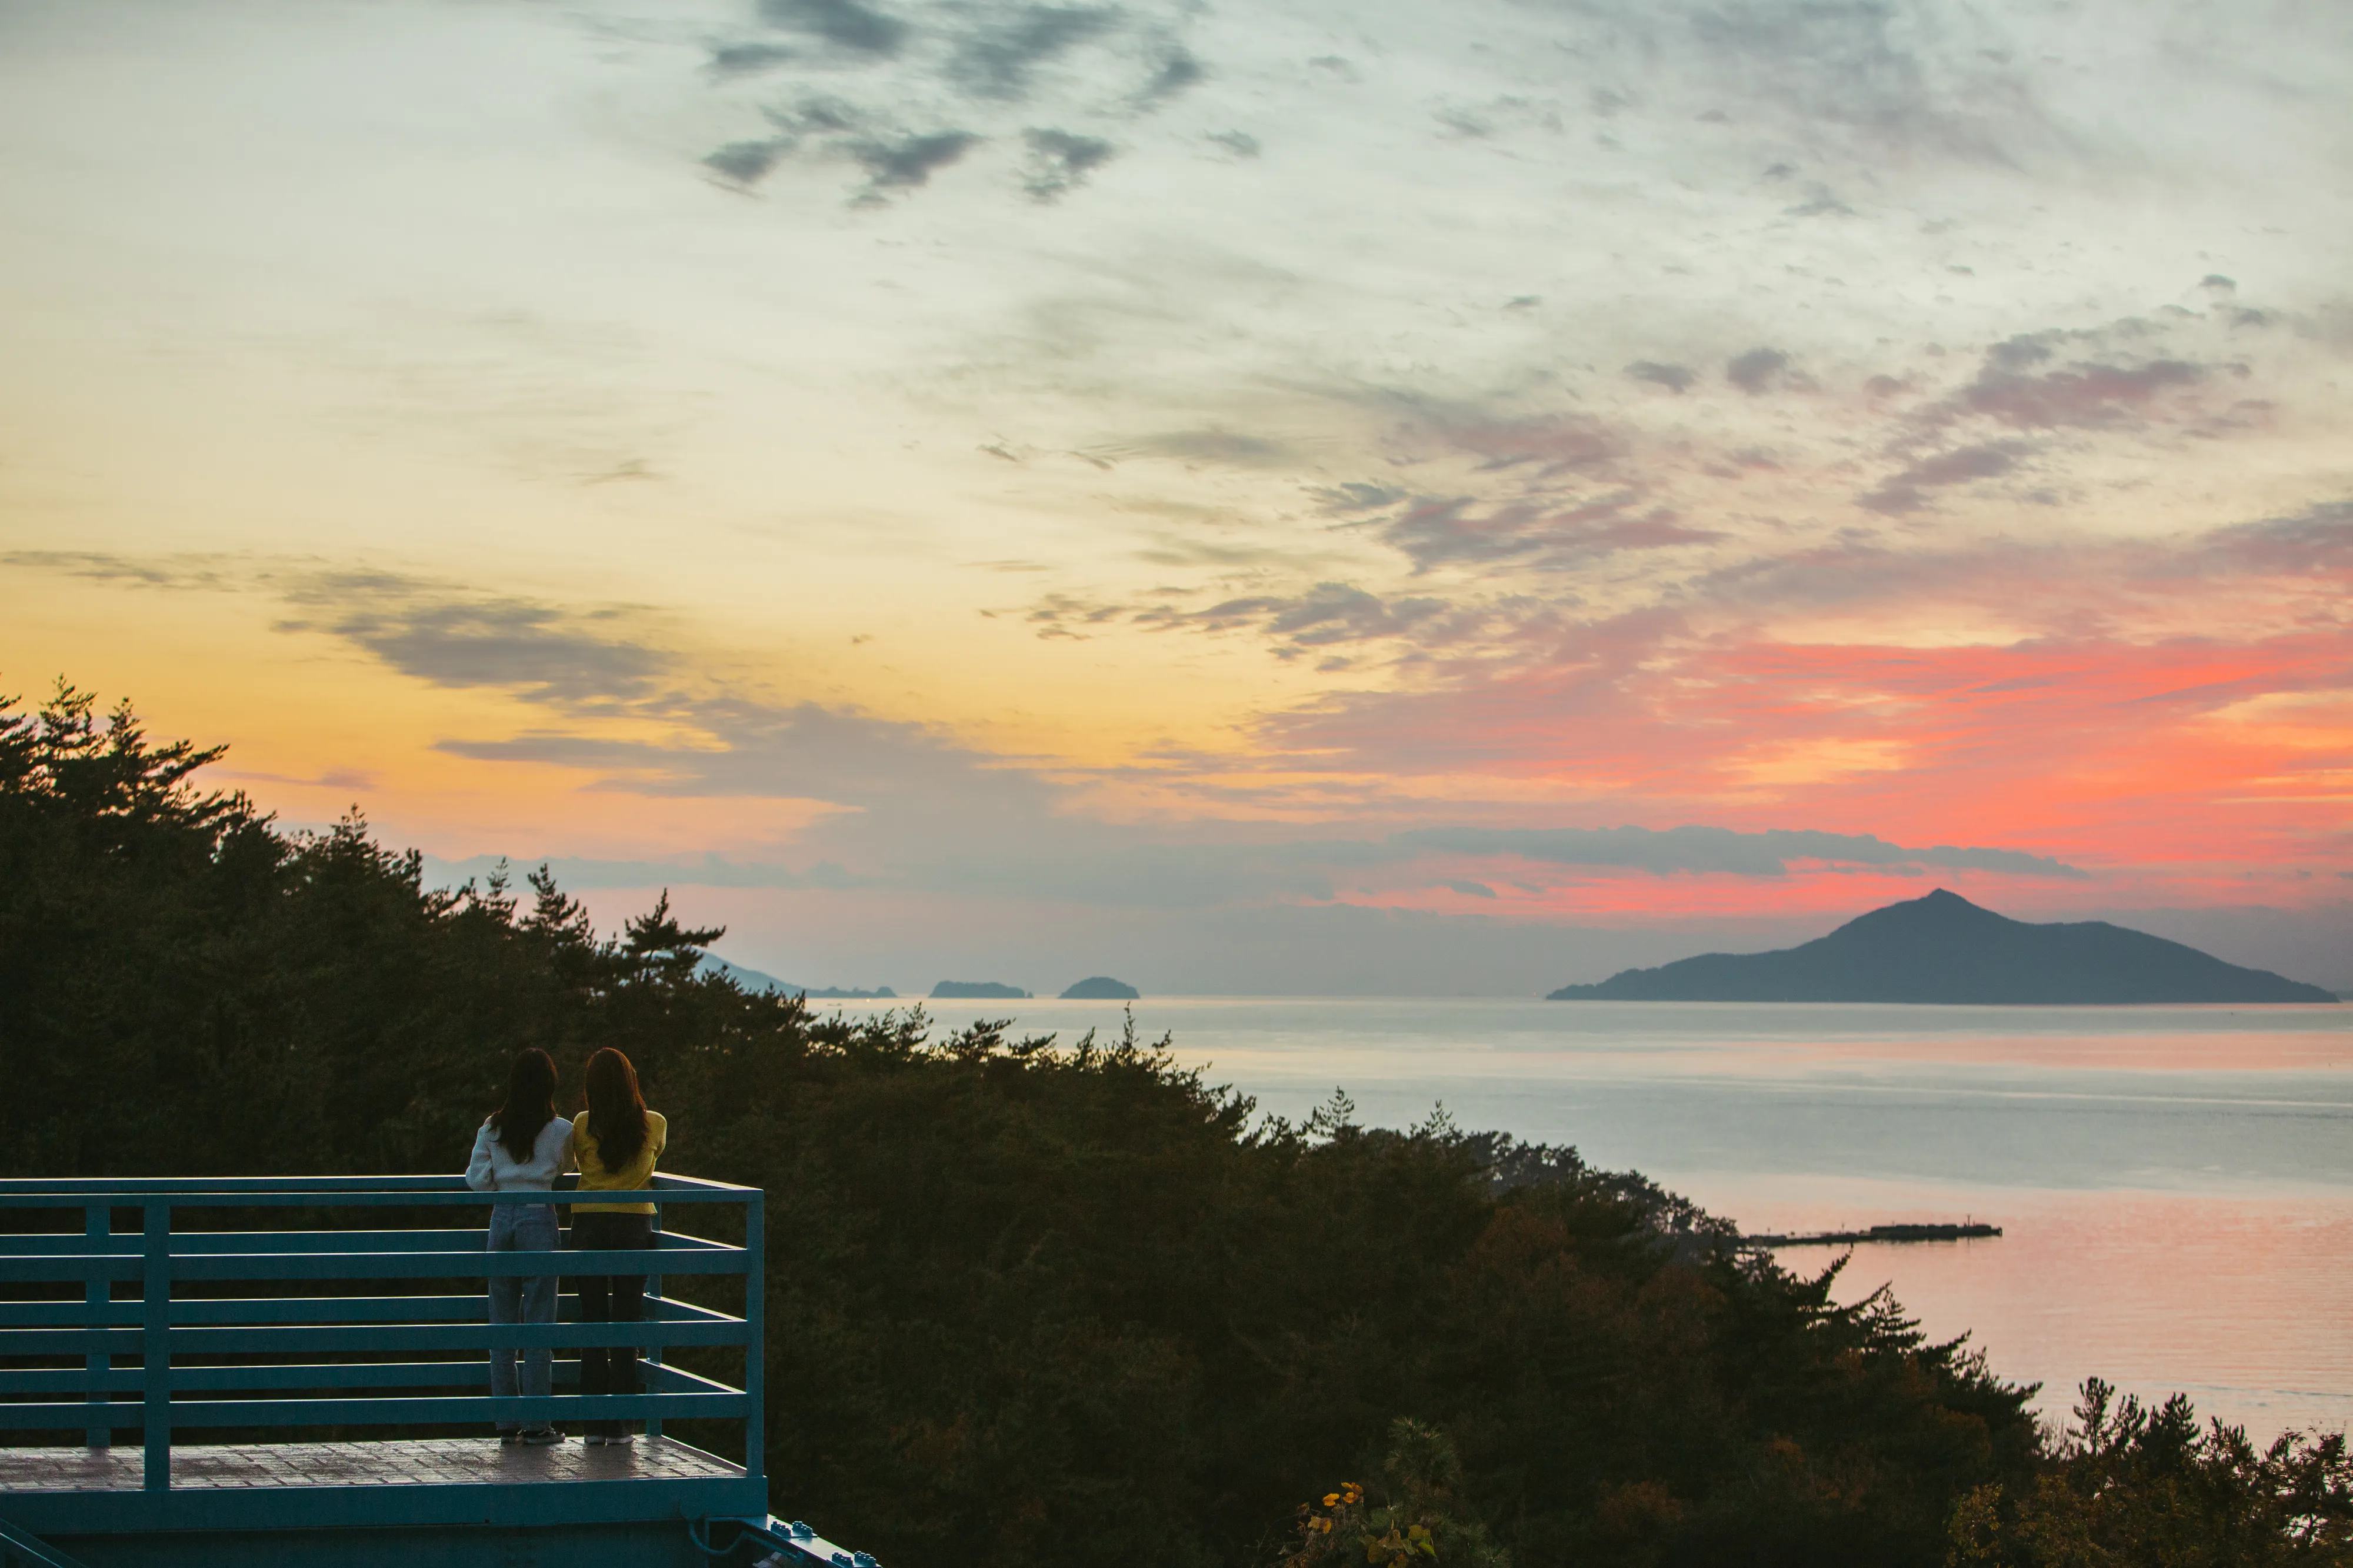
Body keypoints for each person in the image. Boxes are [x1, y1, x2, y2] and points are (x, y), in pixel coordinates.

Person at [465, 1047, 572, 1446]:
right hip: (539, 1216)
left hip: (502, 1218)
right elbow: (566, 1168)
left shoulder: (492, 1127)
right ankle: (538, 1424)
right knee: (540, 1324)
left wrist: (503, 1181)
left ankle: (506, 1422)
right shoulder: (560, 1129)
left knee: (502, 1324)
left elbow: (476, 1181)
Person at [565, 1047, 667, 1446]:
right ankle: (622, 1428)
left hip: (588, 1224)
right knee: (626, 1323)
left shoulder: (582, 1124)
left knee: (593, 1325)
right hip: (632, 1226)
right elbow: (654, 1157)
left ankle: (593, 1428)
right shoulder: (654, 1123)